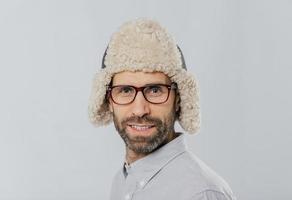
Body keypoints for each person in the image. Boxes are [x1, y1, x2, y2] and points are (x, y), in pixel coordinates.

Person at [88, 19, 236, 200]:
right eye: (125, 90)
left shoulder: (200, 193)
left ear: (178, 99)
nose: (139, 110)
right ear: (108, 100)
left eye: (155, 90)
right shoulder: (121, 181)